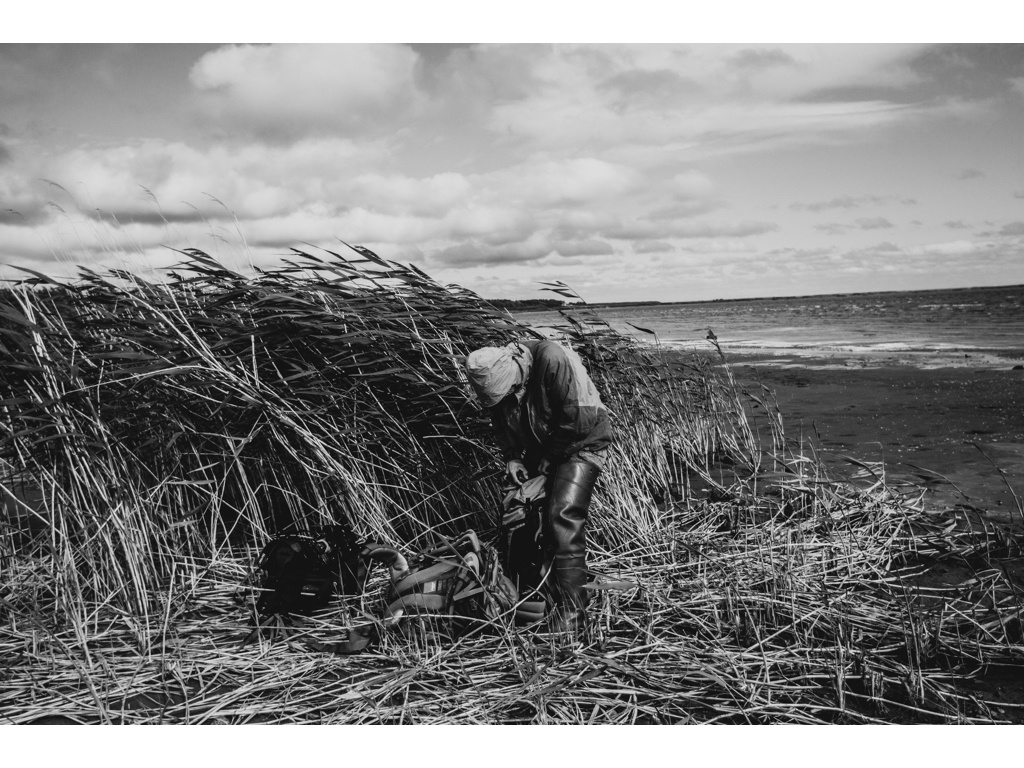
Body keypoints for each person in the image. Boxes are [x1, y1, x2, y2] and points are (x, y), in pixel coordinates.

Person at [464, 339, 613, 632]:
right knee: (518, 509)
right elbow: (500, 418)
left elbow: (580, 420)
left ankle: (574, 615)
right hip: (544, 447)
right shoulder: (496, 380)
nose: (506, 397)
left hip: (583, 443)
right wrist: (511, 457)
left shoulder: (551, 359)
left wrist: (549, 461)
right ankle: (537, 592)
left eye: (509, 390)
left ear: (516, 370)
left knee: (562, 514)